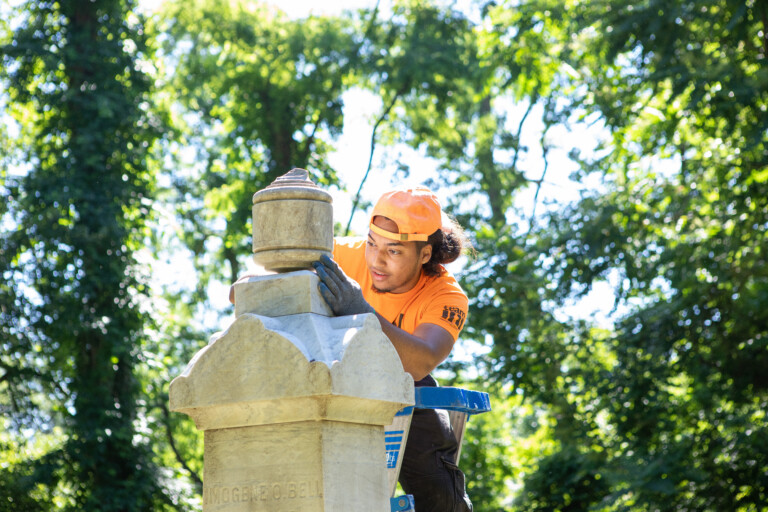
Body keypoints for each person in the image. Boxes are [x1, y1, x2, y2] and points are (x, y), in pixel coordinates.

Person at [312, 186, 473, 512]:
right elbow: (253, 287)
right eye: (372, 243)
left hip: (402, 387)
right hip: (328, 377)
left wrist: (360, 311)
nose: (376, 260)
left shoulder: (446, 295)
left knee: (439, 491)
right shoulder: (339, 257)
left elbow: (420, 361)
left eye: (394, 251)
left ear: (424, 254)